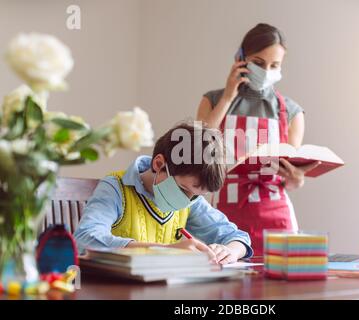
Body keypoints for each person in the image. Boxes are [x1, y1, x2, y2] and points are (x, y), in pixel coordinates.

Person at [196, 23, 319, 255]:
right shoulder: (211, 101)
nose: (267, 71)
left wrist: (297, 179)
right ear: (241, 58)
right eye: (259, 63)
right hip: (223, 217)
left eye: (275, 65)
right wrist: (227, 96)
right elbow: (198, 147)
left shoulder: (292, 112)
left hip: (276, 217)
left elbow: (290, 179)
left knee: (278, 290)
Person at [74, 122, 253, 264]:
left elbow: (238, 237)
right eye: (183, 190)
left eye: (196, 195)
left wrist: (230, 251)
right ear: (159, 164)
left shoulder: (191, 200)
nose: (187, 200)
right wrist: (168, 250)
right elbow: (85, 238)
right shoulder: (115, 188)